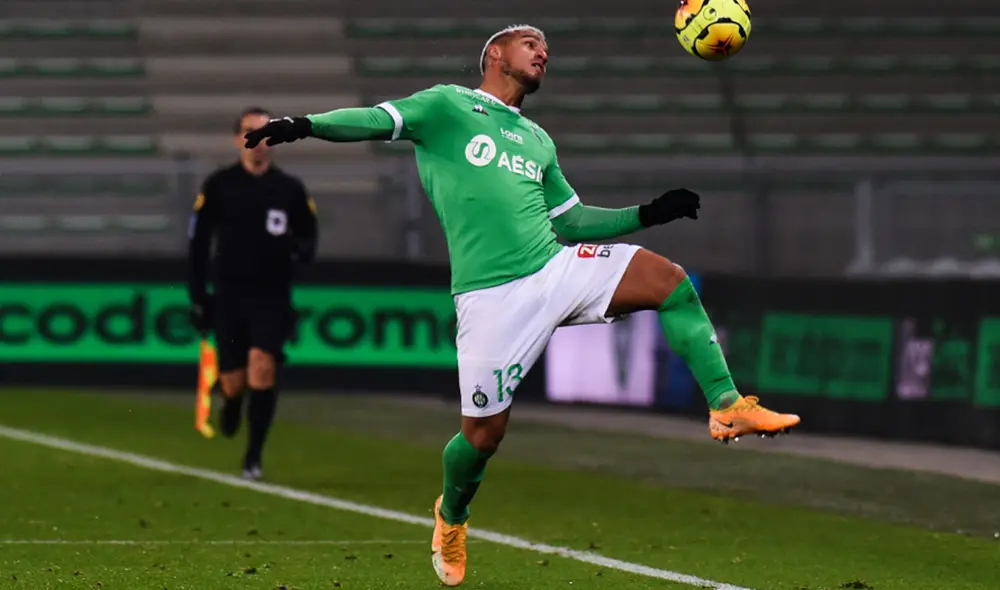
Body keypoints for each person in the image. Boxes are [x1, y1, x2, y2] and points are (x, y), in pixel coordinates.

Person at [243, 24, 799, 586]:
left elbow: (573, 222)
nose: (542, 51)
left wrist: (649, 212)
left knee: (670, 282)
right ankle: (451, 515)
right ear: (494, 54)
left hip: (552, 267)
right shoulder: (447, 106)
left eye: (545, 47)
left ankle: (726, 404)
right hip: (490, 296)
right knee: (483, 436)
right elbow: (372, 119)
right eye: (529, 42)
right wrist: (304, 125)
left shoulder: (537, 139)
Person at [188, 106, 318, 481]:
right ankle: (229, 400)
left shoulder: (289, 189)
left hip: (272, 295)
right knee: (234, 379)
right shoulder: (218, 186)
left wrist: (300, 252)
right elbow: (198, 243)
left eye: (265, 134)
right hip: (229, 294)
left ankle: (253, 455)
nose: (257, 142)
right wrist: (198, 295)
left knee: (263, 365)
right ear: (237, 138)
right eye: (249, 133)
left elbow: (309, 234)